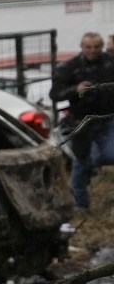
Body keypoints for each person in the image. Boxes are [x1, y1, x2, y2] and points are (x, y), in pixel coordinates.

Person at [53, 32, 114, 208]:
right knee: (81, 161)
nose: (92, 50)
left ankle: (92, 163)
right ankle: (80, 204)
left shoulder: (110, 63)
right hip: (81, 120)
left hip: (107, 118)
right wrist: (75, 89)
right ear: (82, 47)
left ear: (101, 46)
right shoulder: (70, 67)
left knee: (109, 154)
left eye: (96, 47)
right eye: (88, 47)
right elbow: (55, 94)